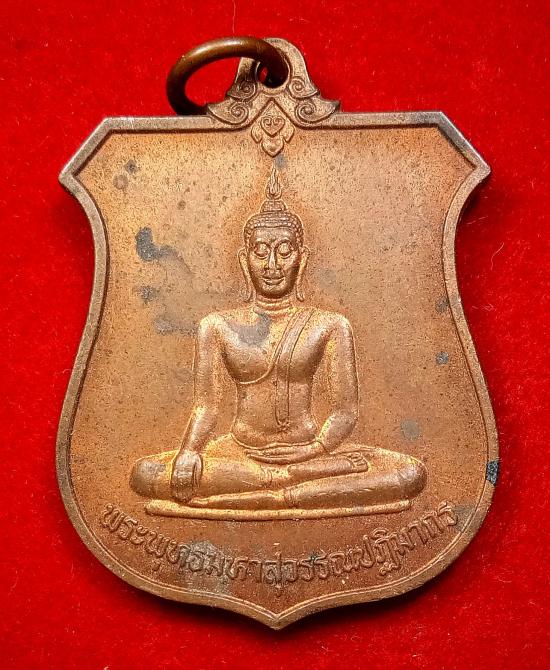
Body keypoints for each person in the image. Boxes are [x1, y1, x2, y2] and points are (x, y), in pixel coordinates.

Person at [131, 168, 426, 518]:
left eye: (285, 251)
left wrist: (314, 451)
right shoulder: (216, 326)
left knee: (409, 473)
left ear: (302, 259)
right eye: (261, 252)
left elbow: (345, 412)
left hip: (311, 452)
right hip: (241, 454)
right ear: (245, 261)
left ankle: (268, 489)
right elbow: (206, 407)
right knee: (145, 473)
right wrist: (190, 452)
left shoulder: (330, 325)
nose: (272, 265)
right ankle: (287, 486)